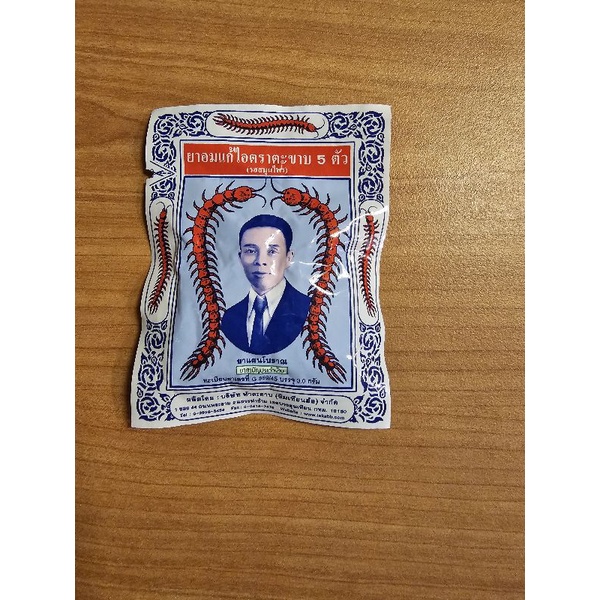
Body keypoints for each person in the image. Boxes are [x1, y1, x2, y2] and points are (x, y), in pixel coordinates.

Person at [221, 214, 310, 354]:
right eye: (250, 251)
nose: (260, 261)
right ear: (240, 257)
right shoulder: (229, 318)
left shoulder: (310, 310)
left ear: (288, 258)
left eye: (272, 251)